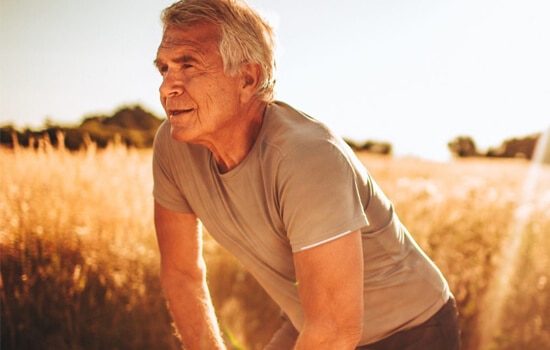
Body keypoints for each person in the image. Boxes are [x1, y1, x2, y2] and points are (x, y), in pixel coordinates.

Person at [151, 0, 461, 349]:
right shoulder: (173, 145)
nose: (166, 88)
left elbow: (335, 329)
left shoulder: (307, 157)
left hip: (410, 329)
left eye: (188, 65)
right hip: (311, 320)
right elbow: (182, 273)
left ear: (247, 79)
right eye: (164, 69)